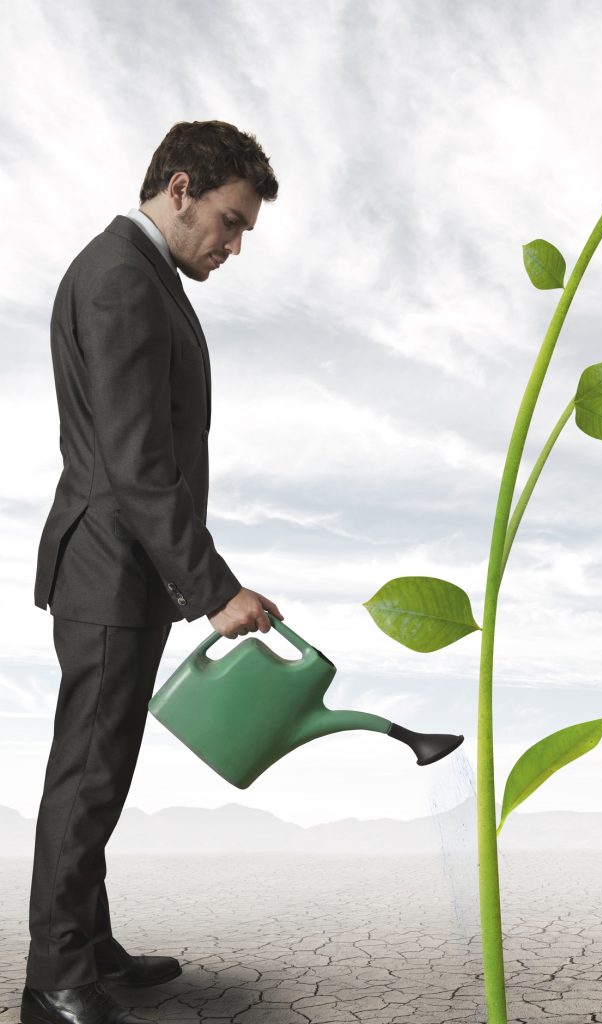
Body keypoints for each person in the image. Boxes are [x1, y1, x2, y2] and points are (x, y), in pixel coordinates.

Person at [24, 121, 282, 1024]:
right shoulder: (124, 280)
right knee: (88, 775)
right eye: (229, 220)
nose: (234, 244)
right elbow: (138, 462)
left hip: (116, 570)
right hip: (108, 570)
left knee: (101, 768)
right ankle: (54, 980)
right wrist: (215, 591)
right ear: (180, 188)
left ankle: (86, 945)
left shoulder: (137, 275)